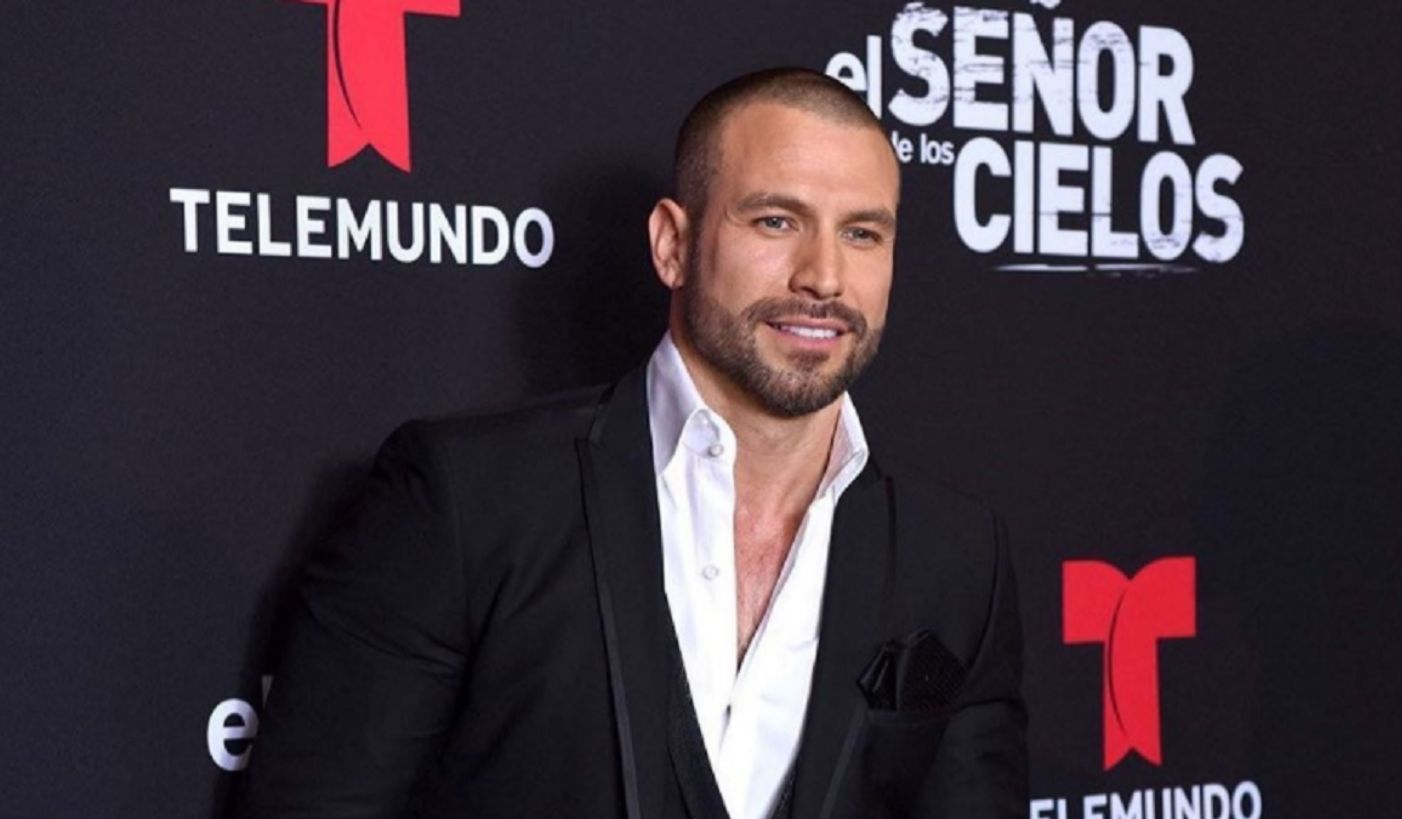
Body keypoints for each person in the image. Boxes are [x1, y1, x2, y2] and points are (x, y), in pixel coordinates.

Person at [246, 67, 1026, 819]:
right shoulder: (464, 501)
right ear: (671, 244)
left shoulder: (955, 554)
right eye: (776, 221)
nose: (823, 275)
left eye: (862, 232)